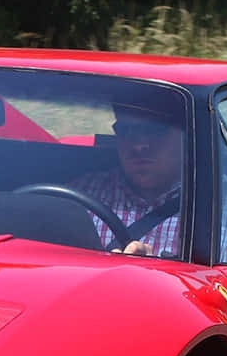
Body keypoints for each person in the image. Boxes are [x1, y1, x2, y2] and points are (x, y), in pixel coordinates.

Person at [71, 103, 183, 256]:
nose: (139, 145)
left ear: (187, 136)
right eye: (126, 130)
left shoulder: (219, 208)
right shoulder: (81, 194)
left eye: (155, 130)